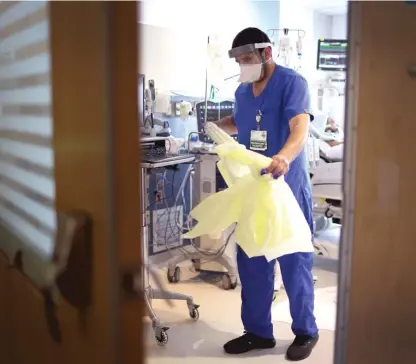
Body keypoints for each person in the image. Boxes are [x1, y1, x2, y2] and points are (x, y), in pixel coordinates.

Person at [215, 27, 319, 361]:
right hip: (255, 191)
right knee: (253, 261)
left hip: (287, 188)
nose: (244, 66)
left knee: (294, 261)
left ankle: (305, 331)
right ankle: (259, 332)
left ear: (267, 53)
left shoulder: (292, 83)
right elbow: (241, 120)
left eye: (248, 59)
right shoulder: (243, 91)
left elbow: (299, 126)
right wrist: (216, 126)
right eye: (240, 61)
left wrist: (284, 157)